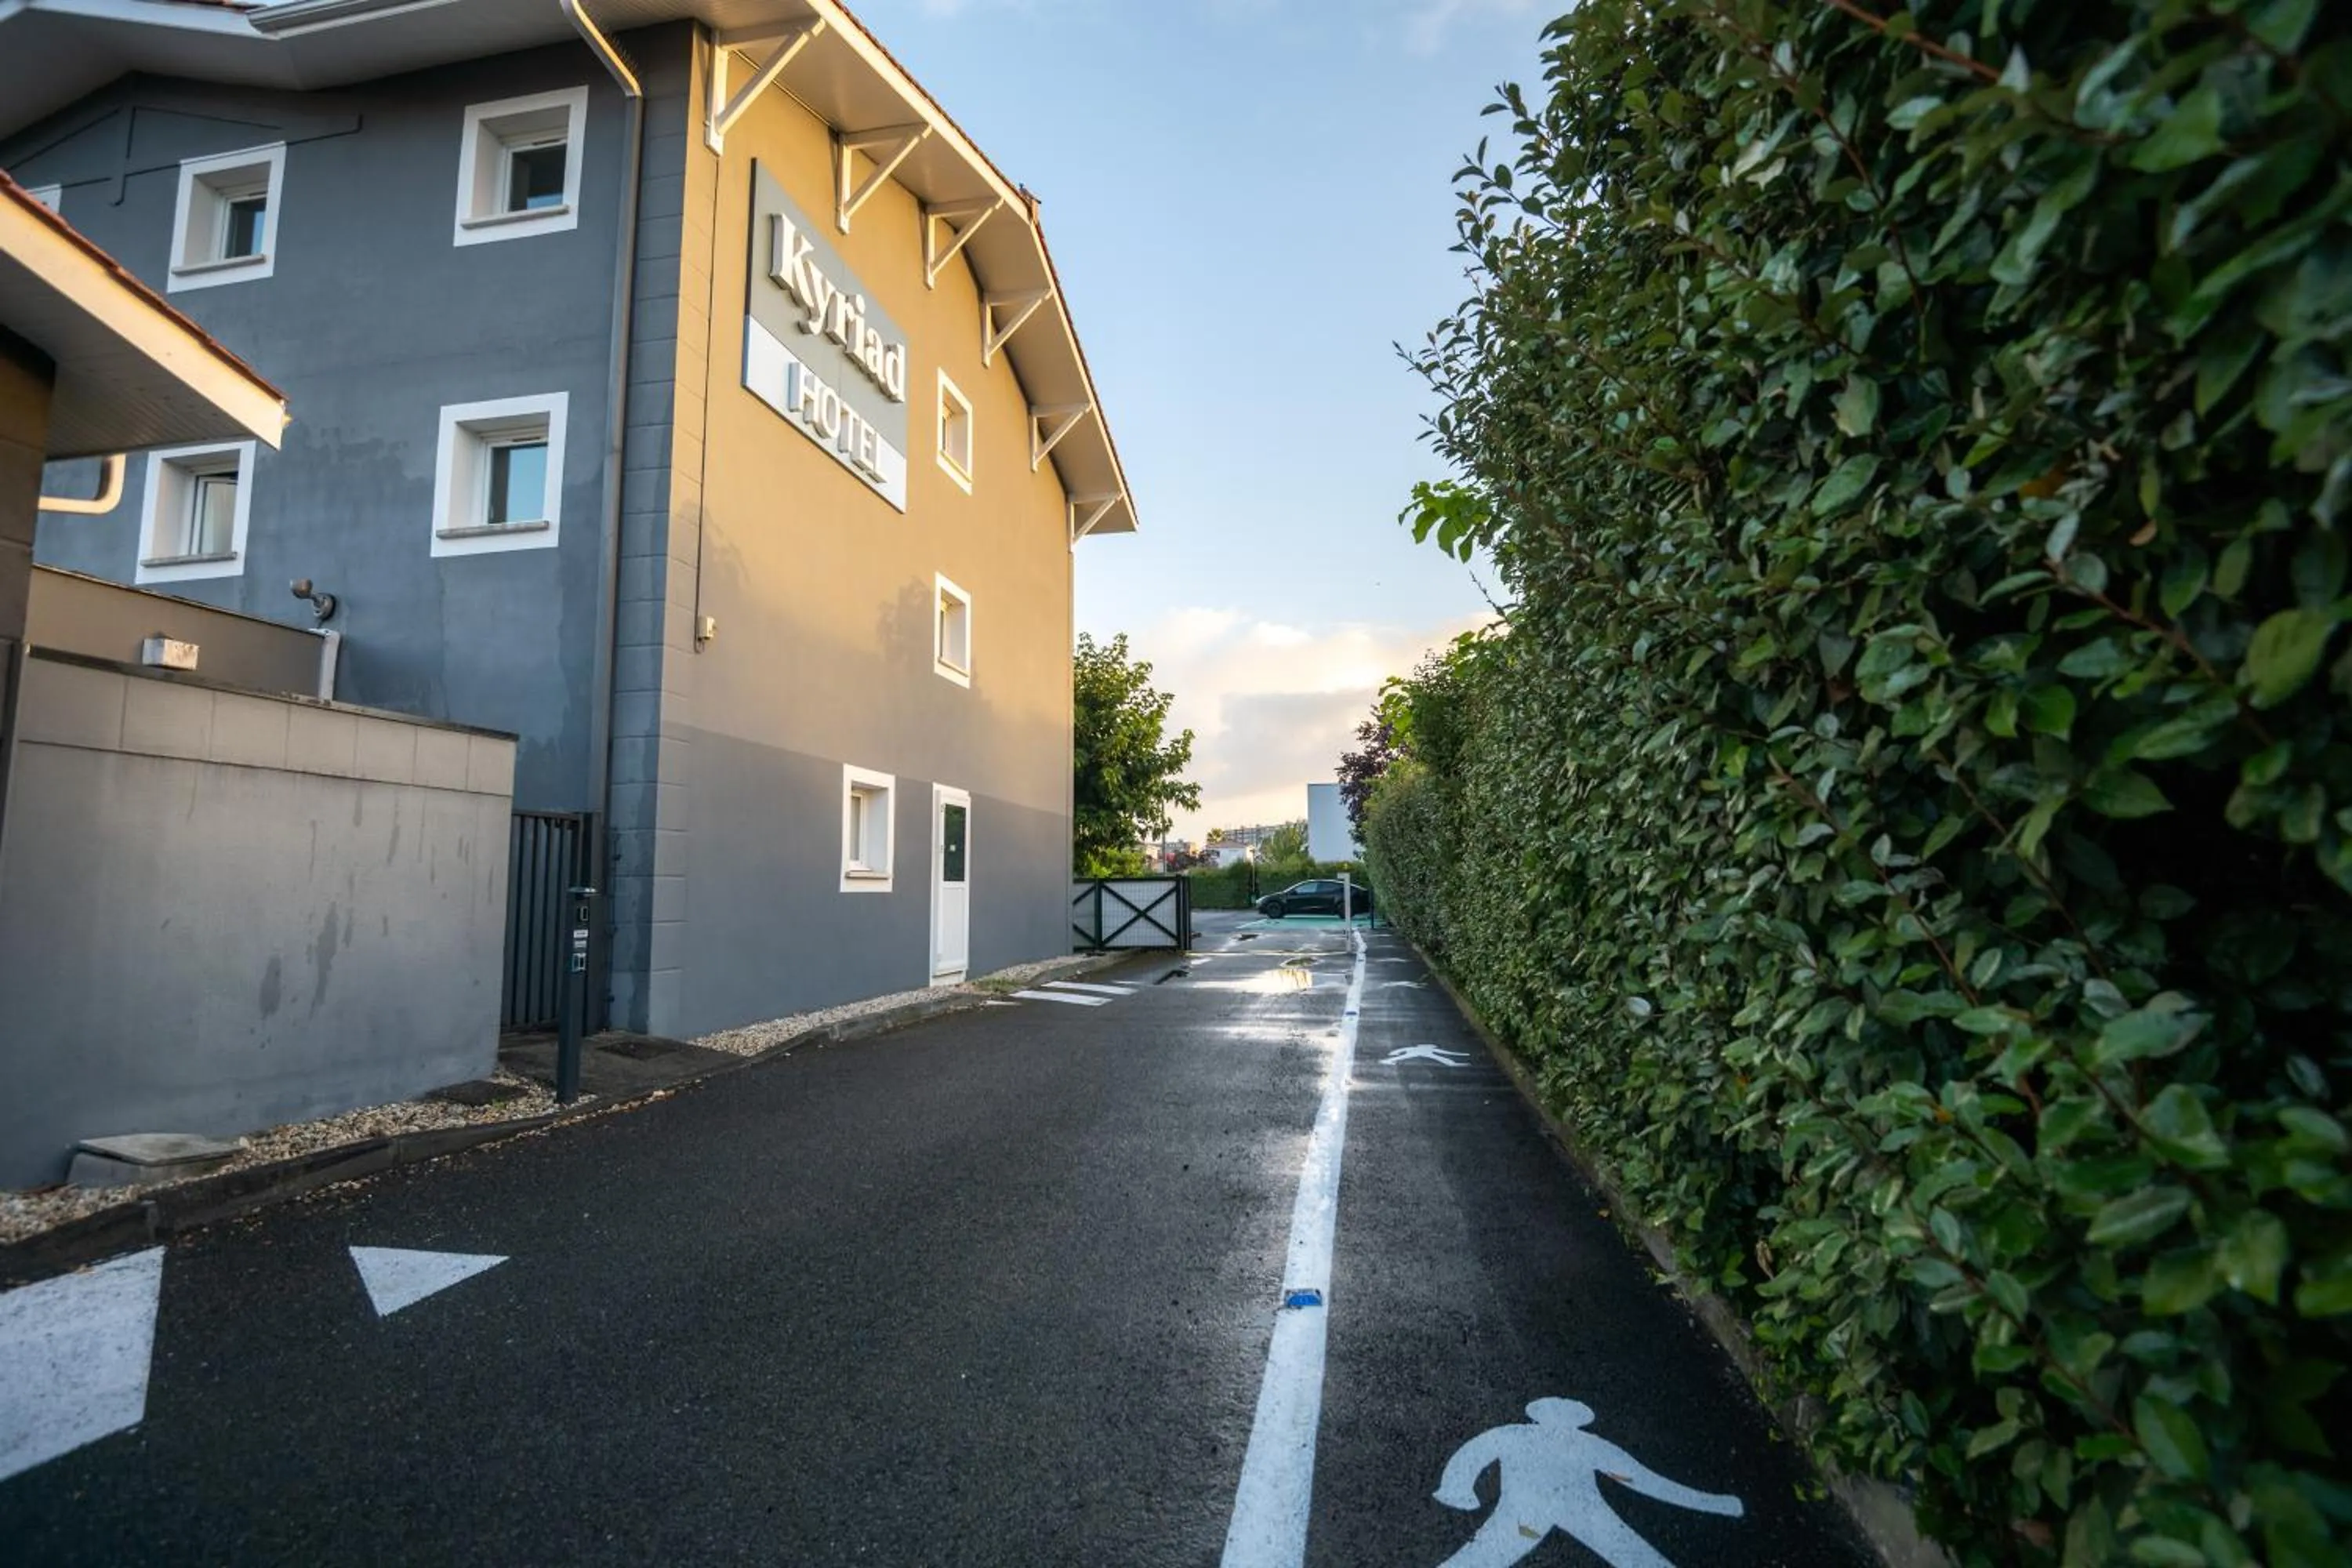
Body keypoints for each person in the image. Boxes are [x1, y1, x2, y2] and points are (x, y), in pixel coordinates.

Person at [1433, 1397, 1744, 1568]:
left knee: (1482, 1556)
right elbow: (1642, 1481)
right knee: (1635, 1554)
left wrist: (1458, 1490)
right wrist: (1456, 1488)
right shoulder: (1585, 1443)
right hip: (1556, 1510)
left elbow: (1642, 1480)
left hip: (1555, 1509)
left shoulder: (1518, 1433)